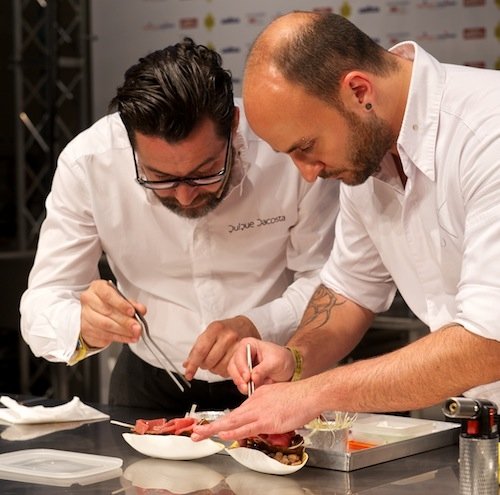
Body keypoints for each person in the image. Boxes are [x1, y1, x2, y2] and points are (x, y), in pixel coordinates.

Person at [191, 11, 500, 441]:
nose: (307, 173)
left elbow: (489, 344)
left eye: (307, 147)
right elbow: (349, 289)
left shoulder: (488, 132)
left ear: (359, 90)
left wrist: (313, 394)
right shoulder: (366, 150)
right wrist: (294, 358)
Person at [19, 38, 339, 412]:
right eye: (160, 178)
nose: (185, 197)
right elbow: (45, 298)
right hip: (149, 381)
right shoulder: (89, 163)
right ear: (130, 140)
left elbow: (328, 280)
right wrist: (84, 324)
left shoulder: (284, 151)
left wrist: (257, 324)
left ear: (233, 126)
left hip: (275, 371)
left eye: (205, 173)